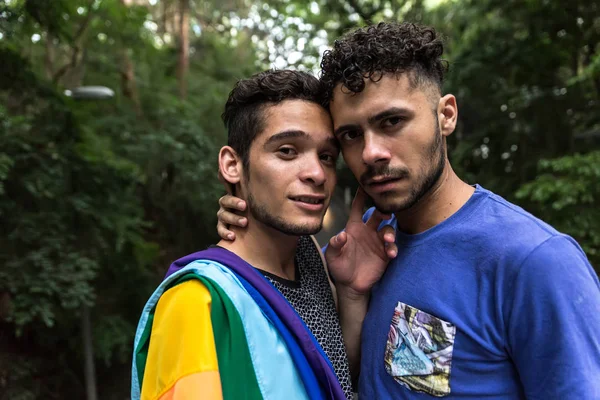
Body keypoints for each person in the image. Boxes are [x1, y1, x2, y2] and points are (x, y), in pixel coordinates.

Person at [217, 22, 600, 399]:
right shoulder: (365, 243)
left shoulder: (535, 262)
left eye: (392, 122)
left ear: (445, 115)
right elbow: (342, 381)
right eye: (351, 134)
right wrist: (348, 293)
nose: (371, 153)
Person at [131, 69, 396, 400]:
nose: (316, 173)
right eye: (287, 150)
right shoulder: (197, 301)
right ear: (232, 165)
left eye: (326, 156)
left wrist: (353, 294)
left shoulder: (309, 257)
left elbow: (336, 378)